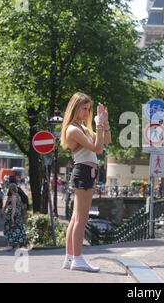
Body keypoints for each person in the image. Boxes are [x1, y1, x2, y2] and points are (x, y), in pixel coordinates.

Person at [60, 92, 111, 272]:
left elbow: (106, 141)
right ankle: (77, 258)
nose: (87, 112)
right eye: (84, 108)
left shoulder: (81, 127)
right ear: (75, 108)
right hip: (83, 172)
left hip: (86, 172)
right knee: (82, 218)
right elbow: (97, 149)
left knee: (76, 218)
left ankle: (69, 258)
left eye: (89, 109)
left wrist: (104, 121)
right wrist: (98, 124)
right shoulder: (73, 129)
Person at [2, 183, 27, 251]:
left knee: (10, 229)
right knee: (17, 229)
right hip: (18, 214)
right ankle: (17, 245)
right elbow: (21, 206)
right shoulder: (18, 195)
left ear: (10, 189)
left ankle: (10, 244)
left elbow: (13, 207)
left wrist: (12, 217)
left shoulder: (13, 196)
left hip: (12, 214)